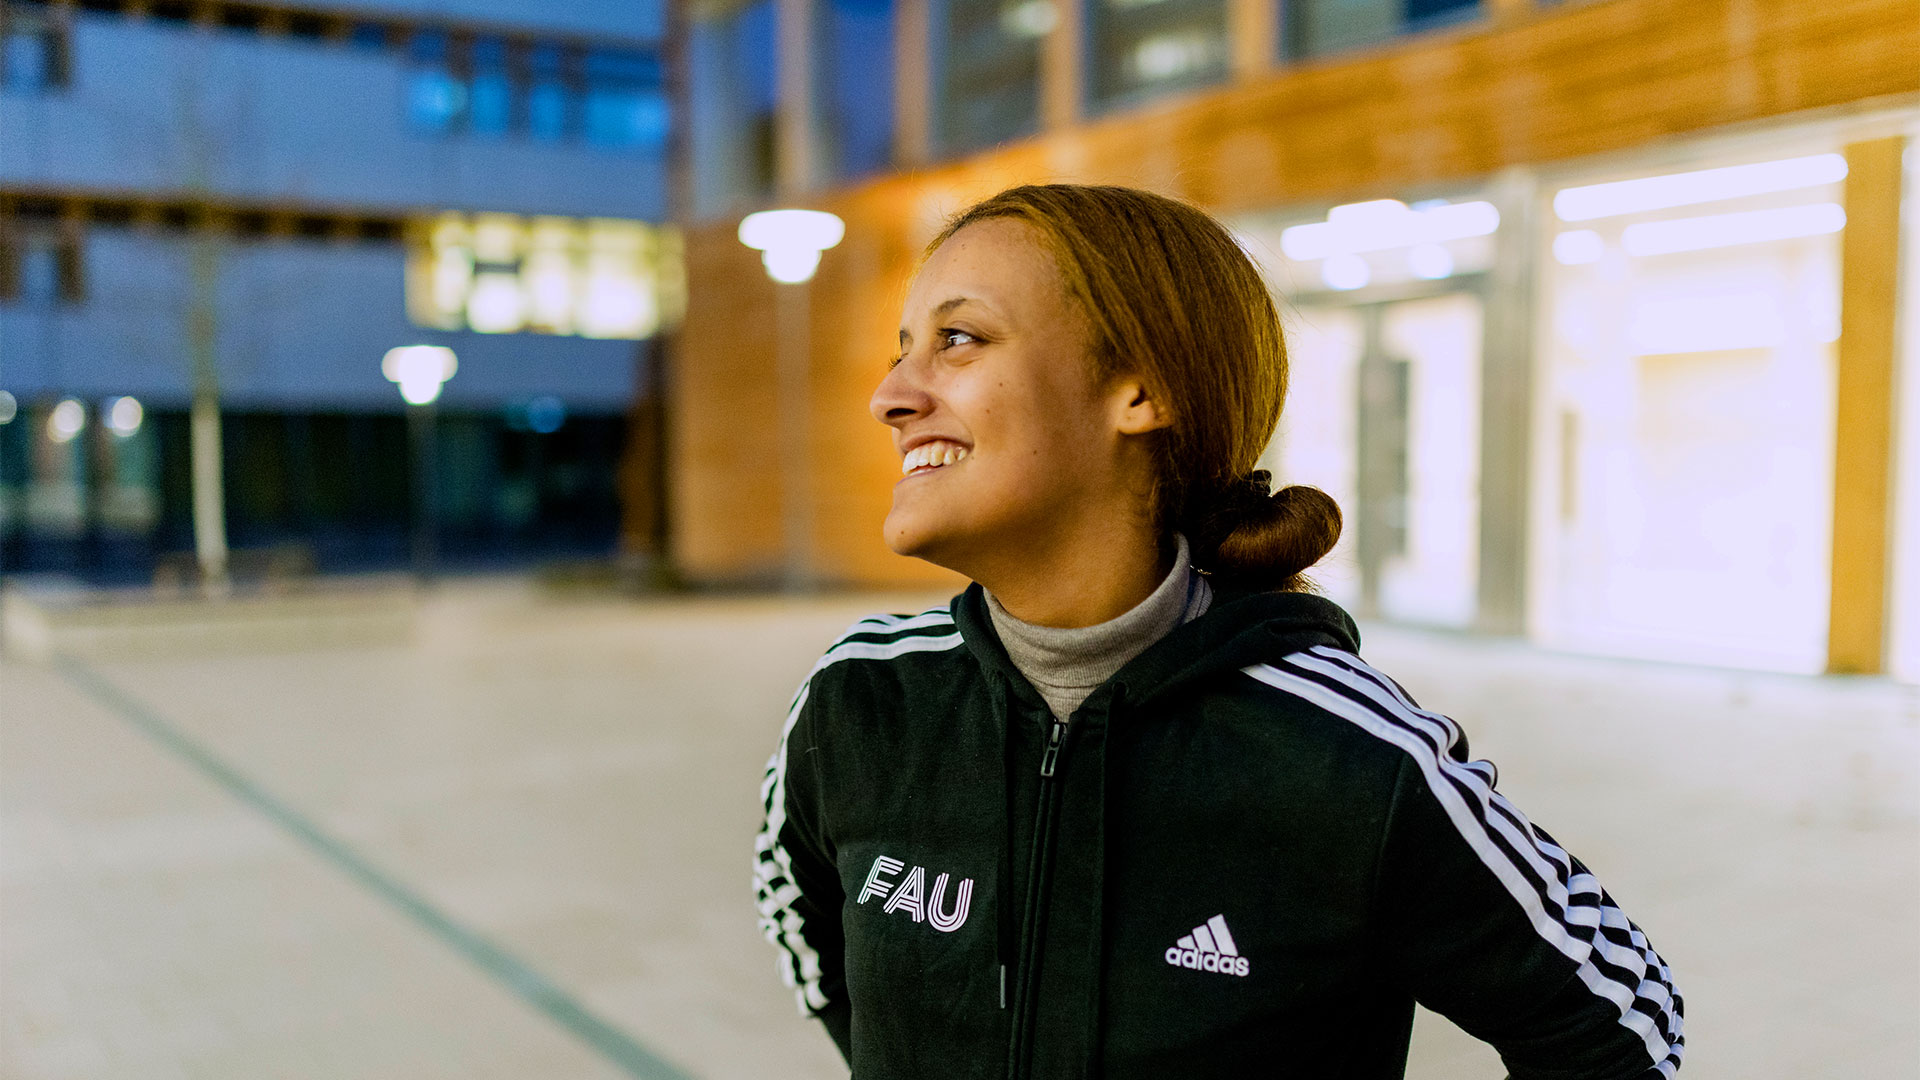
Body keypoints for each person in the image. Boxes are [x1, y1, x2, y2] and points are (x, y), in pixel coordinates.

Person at [752, 183, 1683, 1079]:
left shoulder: (1344, 755)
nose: (892, 395)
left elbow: (1618, 1024)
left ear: (1140, 390)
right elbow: (803, 930)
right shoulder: (859, 700)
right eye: (901, 349)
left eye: (957, 339)